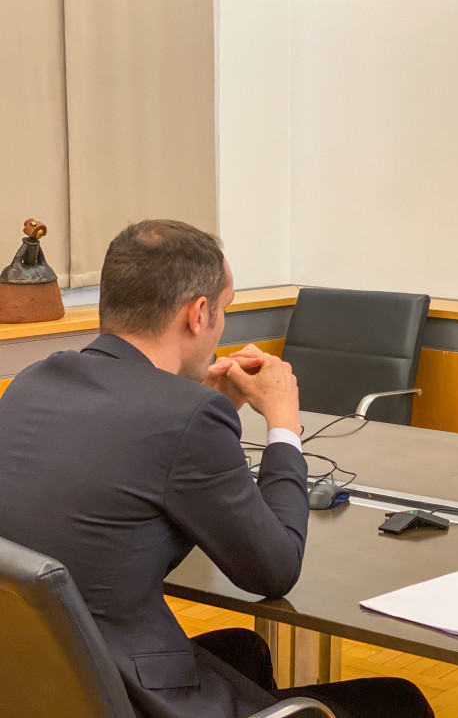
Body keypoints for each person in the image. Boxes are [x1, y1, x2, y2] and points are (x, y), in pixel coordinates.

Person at [0, 220, 433, 718]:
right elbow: (274, 570)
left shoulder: (32, 383)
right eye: (224, 309)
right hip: (132, 698)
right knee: (401, 702)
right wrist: (283, 423)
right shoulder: (184, 417)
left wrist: (202, 406)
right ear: (198, 313)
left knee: (245, 650)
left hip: (47, 686)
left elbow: (122, 485)